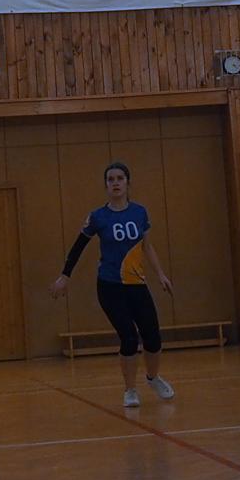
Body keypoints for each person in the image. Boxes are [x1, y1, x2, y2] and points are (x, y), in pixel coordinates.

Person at [51, 161, 175, 408]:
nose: (115, 183)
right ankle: (130, 390)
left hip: (136, 284)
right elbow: (78, 247)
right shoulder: (98, 217)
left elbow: (147, 246)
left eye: (120, 178)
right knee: (129, 337)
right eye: (111, 179)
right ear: (106, 185)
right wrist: (65, 276)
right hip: (110, 286)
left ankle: (153, 377)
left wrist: (160, 274)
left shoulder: (139, 212)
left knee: (152, 336)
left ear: (128, 183)